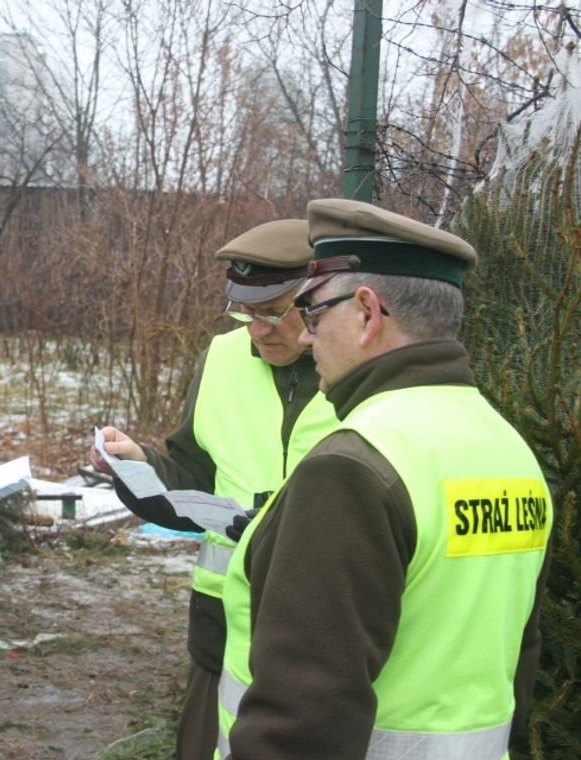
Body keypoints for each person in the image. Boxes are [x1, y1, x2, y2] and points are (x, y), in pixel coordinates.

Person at [217, 199, 553, 760]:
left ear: (367, 313)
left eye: (313, 314)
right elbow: (517, 665)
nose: (306, 338)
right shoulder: (509, 449)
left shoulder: (352, 467)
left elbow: (303, 720)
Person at [90, 219, 339, 760]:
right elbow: (194, 479)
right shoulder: (221, 358)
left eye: (273, 311)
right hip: (220, 630)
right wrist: (139, 466)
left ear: (318, 299)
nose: (258, 330)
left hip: (325, 630)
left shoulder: (359, 368)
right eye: (245, 313)